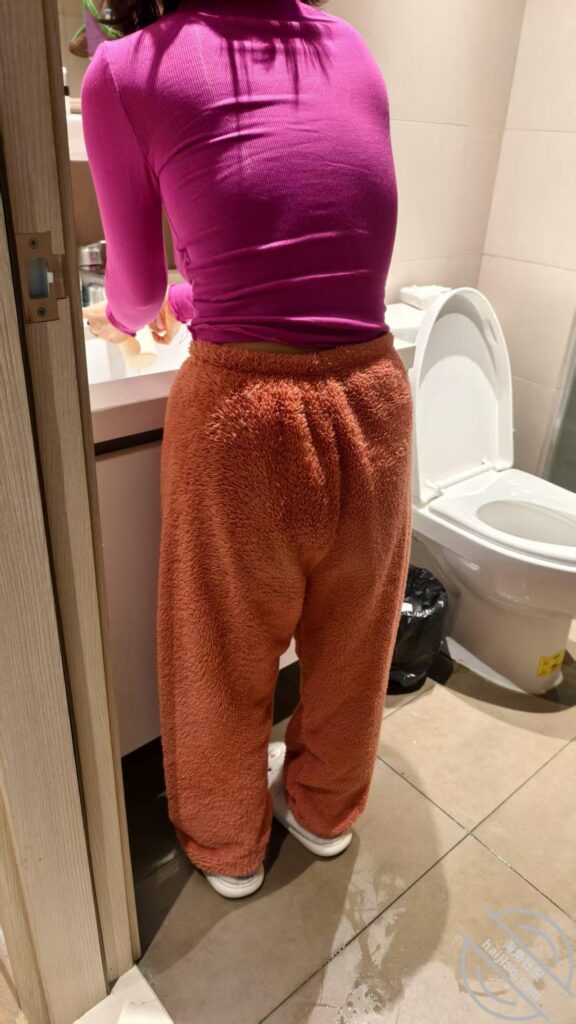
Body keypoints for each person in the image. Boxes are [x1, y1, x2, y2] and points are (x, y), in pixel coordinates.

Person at [82, 0, 412, 900]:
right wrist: (199, 297)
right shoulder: (349, 45)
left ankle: (227, 843)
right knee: (354, 639)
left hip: (243, 416)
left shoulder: (126, 69)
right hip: (375, 396)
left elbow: (134, 295)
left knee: (219, 649)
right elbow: (317, 260)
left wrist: (140, 311)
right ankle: (326, 811)